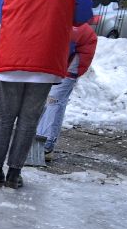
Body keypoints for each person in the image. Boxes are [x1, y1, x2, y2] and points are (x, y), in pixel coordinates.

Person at [0, 0, 93, 189]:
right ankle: (14, 174)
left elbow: (3, 15)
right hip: (46, 59)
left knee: (4, 117)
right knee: (29, 119)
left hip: (12, 57)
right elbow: (83, 17)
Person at [36, 23, 98, 161]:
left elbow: (61, 48)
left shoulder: (73, 28)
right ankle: (40, 141)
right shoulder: (62, 23)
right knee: (49, 101)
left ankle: (46, 145)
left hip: (69, 67)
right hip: (60, 64)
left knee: (53, 101)